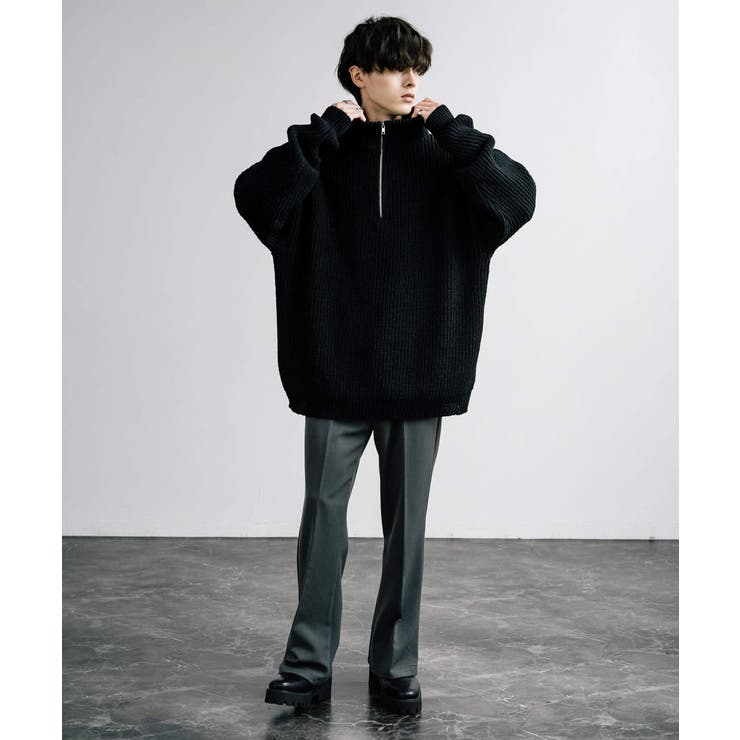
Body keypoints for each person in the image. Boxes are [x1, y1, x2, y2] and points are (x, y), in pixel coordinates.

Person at [233, 15, 536, 715]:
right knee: (322, 522)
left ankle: (396, 666)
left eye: (417, 69)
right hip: (333, 370)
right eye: (396, 68)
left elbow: (517, 200)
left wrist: (453, 131)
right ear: (357, 76)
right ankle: (306, 666)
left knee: (408, 532)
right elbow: (256, 198)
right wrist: (321, 135)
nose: (410, 81)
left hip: (419, 371)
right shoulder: (321, 154)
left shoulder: (443, 152)